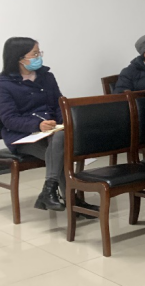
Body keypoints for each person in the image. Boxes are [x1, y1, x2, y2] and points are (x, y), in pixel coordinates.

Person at [0, 38, 97, 214]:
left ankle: (49, 191)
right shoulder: (4, 84)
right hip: (22, 137)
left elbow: (59, 104)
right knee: (60, 153)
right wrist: (37, 124)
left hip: (52, 132)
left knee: (60, 140)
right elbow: (9, 119)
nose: (39, 57)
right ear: (19, 58)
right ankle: (72, 201)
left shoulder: (46, 77)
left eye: (40, 53)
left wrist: (63, 122)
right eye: (35, 54)